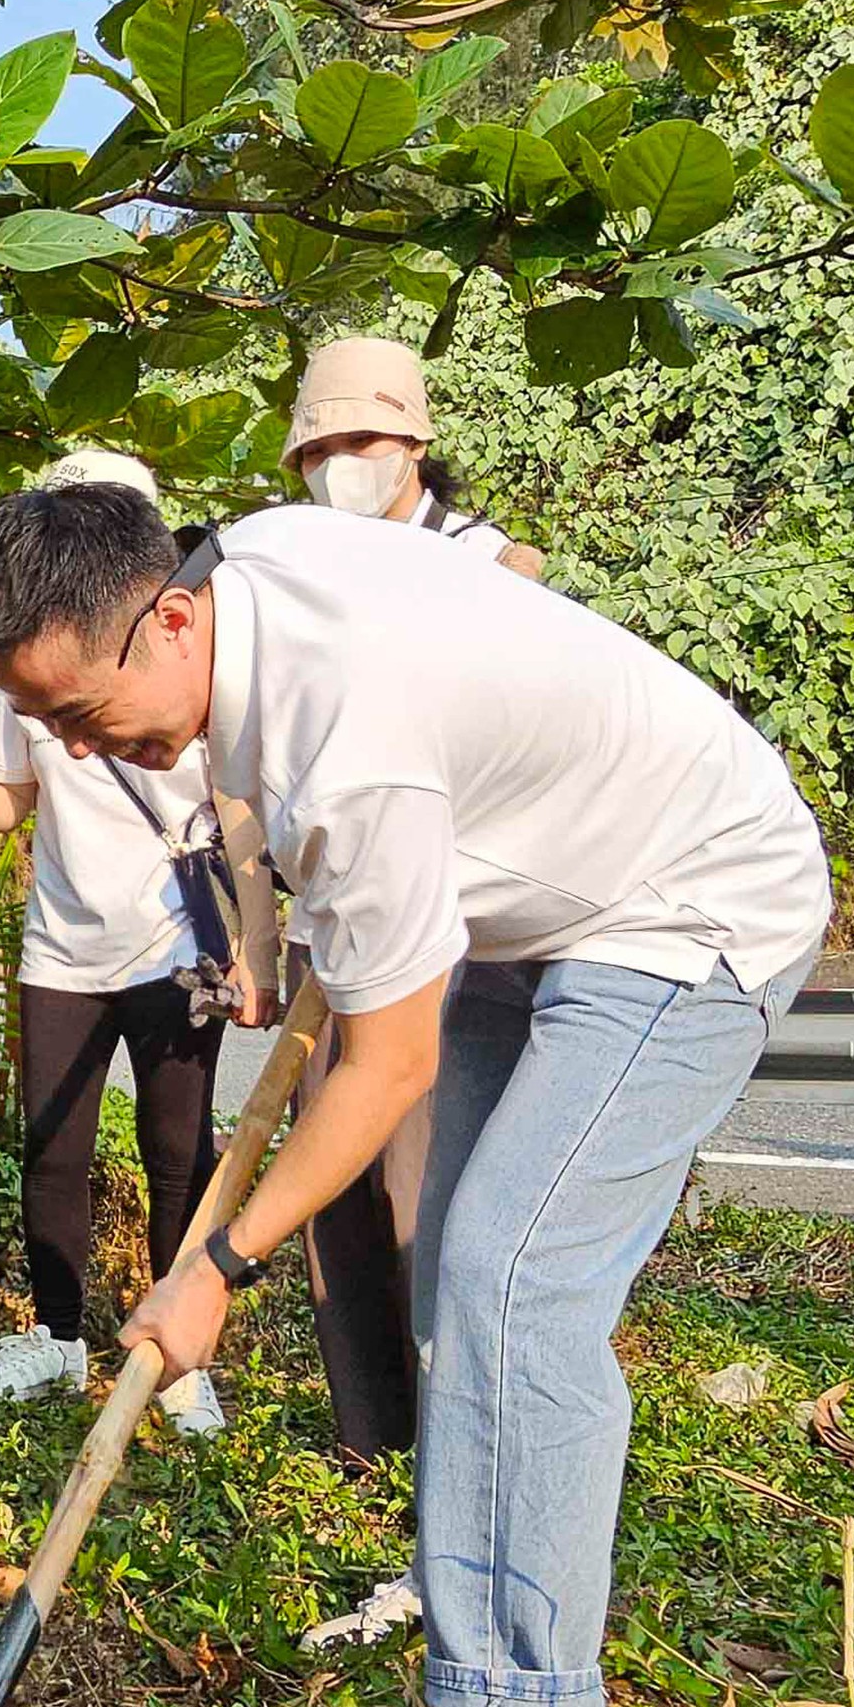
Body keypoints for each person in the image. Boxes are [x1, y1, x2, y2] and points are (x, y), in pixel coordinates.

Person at [0, 484, 828, 1707]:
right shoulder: (239, 576)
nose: (70, 745)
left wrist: (217, 1258)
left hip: (690, 899)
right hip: (527, 894)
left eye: (78, 710)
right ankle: (473, 1603)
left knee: (512, 1273)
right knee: (451, 1278)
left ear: (169, 617)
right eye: (40, 722)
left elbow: (388, 1058)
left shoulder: (342, 752)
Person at [282, 341, 542, 1626]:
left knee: (420, 1198)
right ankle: (375, 1443)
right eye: (318, 451)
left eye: (361, 446)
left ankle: (459, 1498)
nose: (341, 469)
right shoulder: (304, 565)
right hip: (338, 909)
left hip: (449, 930)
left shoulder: (488, 566)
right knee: (335, 1194)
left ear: (413, 447)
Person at [0, 450, 255, 1431]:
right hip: (61, 941)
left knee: (176, 1145)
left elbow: (236, 800)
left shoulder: (187, 652)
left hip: (177, 942)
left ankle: (176, 1353)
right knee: (53, 1144)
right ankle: (55, 1338)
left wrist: (250, 936)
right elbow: (3, 793)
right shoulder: (33, 654)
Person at [284, 332, 544, 576]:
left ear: (416, 443)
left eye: (362, 439)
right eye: (316, 451)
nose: (336, 464)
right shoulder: (298, 561)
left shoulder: (479, 555)